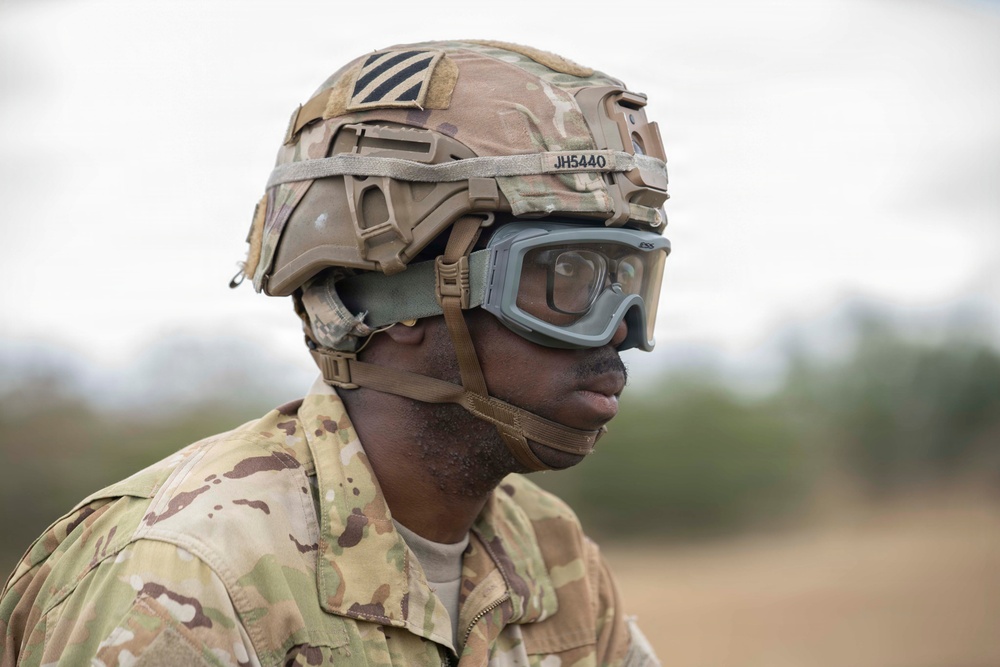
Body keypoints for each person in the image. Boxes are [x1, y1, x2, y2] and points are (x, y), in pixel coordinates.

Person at [1, 40, 669, 666]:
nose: (619, 329)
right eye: (569, 275)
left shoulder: (547, 549)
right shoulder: (188, 574)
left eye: (632, 279)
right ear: (399, 297)